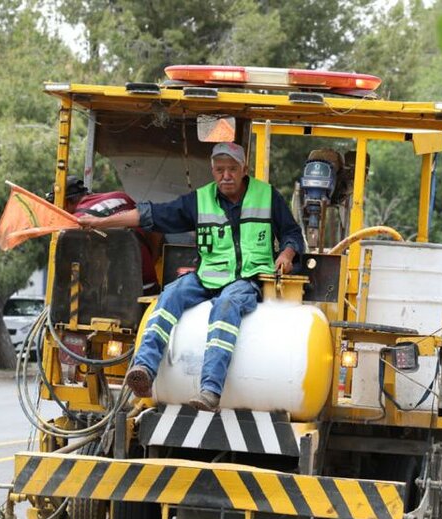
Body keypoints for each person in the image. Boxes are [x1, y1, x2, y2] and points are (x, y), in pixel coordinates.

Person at [77, 142, 304, 411]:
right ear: (212, 170)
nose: (226, 175)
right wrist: (99, 223)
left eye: (232, 169)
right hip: (207, 276)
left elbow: (291, 233)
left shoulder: (267, 196)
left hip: (248, 278)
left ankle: (210, 389)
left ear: (244, 169)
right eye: (219, 170)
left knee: (226, 305)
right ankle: (144, 369)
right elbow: (151, 215)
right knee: (171, 293)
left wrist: (287, 255)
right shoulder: (200, 200)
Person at [59, 176, 159, 291]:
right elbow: (155, 229)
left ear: (65, 203)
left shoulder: (77, 221)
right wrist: (150, 261)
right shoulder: (121, 196)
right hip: (149, 283)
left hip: (118, 294)